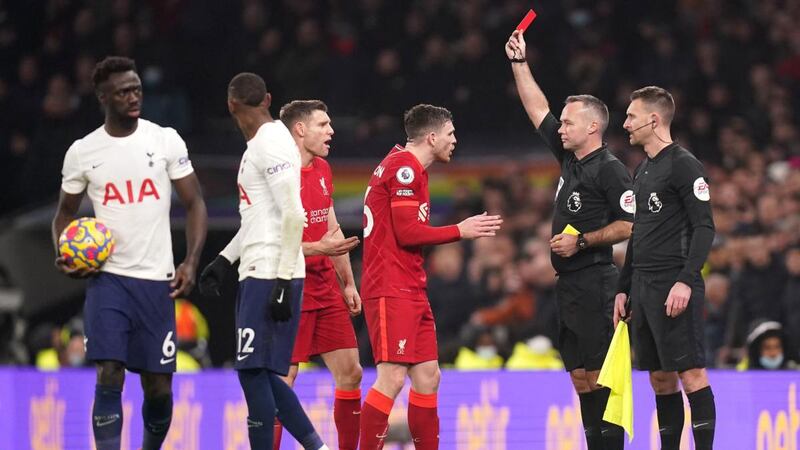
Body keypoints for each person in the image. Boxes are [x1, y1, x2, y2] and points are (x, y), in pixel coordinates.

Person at [51, 56, 208, 450]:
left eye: (136, 88)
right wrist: (65, 253)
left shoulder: (165, 139)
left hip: (157, 281)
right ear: (104, 97)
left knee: (158, 387)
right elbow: (63, 216)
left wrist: (190, 261)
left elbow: (195, 204)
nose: (133, 97)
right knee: (109, 372)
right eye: (123, 92)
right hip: (108, 280)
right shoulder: (84, 151)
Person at [201, 99, 363, 450]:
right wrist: (319, 249)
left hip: (325, 287)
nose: (331, 131)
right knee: (282, 380)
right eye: (323, 124)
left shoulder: (323, 169)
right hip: (288, 283)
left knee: (351, 373)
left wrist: (347, 281)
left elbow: (330, 226)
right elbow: (269, 239)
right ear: (300, 130)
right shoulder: (277, 172)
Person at [506, 30, 632, 449]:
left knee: (599, 378)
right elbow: (537, 107)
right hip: (569, 287)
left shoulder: (609, 169)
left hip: (597, 281)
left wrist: (582, 242)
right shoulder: (569, 160)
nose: (561, 126)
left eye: (570, 121)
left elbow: (631, 224)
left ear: (593, 127)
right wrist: (519, 63)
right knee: (580, 379)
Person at [359, 104, 503, 450]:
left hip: (410, 286)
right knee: (392, 378)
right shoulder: (404, 169)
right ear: (433, 136)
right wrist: (460, 230)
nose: (455, 140)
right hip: (390, 287)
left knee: (428, 376)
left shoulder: (407, 166)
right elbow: (408, 232)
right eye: (451, 134)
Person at [614, 86, 717, 450]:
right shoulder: (642, 170)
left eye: (631, 116)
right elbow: (638, 234)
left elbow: (705, 227)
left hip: (674, 283)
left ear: (654, 120)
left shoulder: (684, 164)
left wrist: (687, 281)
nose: (625, 123)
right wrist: (624, 288)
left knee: (690, 373)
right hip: (643, 287)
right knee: (660, 378)